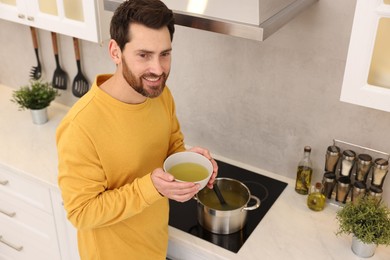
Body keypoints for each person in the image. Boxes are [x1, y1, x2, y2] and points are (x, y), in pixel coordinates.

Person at [56, 0, 218, 259]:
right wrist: (152, 188)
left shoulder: (160, 96)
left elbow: (171, 146)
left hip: (154, 246)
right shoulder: (81, 126)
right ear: (115, 51)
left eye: (165, 54)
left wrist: (189, 160)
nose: (158, 69)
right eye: (144, 55)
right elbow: (81, 213)